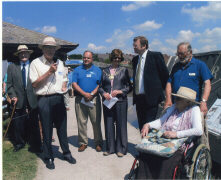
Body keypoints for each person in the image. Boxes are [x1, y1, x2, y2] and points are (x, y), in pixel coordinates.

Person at [29, 37, 76, 170]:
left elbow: (65, 77)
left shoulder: (60, 62)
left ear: (55, 50)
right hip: (44, 99)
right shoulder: (35, 63)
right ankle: (48, 156)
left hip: (59, 98)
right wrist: (49, 72)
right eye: (47, 47)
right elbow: (34, 84)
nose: (50, 50)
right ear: (42, 49)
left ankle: (66, 153)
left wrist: (64, 85)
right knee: (47, 129)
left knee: (62, 128)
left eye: (52, 48)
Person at [138, 86, 203, 179]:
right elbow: (161, 121)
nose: (175, 100)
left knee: (166, 160)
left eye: (179, 98)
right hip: (165, 139)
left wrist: (176, 134)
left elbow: (198, 130)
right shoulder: (173, 107)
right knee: (146, 153)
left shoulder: (194, 110)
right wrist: (147, 125)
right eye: (175, 97)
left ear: (188, 102)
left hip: (181, 143)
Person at [7, 45, 42, 152]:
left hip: (33, 99)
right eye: (21, 53)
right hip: (18, 100)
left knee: (34, 123)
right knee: (18, 124)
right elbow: (9, 84)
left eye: (25, 53)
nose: (23, 54)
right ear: (18, 55)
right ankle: (19, 143)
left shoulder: (34, 65)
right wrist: (13, 96)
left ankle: (36, 144)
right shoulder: (12, 67)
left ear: (29, 54)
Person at [164, 42, 213, 116]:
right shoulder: (176, 66)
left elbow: (207, 84)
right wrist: (168, 99)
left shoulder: (200, 65)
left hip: (192, 107)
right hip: (176, 106)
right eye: (178, 54)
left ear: (190, 52)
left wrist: (204, 101)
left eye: (182, 54)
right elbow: (169, 83)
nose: (179, 56)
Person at [99, 49, 132, 157]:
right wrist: (104, 93)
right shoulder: (104, 71)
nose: (116, 60)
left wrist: (120, 91)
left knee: (121, 125)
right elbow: (100, 87)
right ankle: (110, 148)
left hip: (121, 101)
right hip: (108, 101)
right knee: (108, 124)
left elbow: (129, 87)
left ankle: (121, 149)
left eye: (118, 58)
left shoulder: (124, 70)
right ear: (111, 58)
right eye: (115, 57)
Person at [132, 36, 169, 131]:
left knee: (149, 126)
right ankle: (142, 144)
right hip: (139, 99)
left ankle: (148, 145)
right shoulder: (135, 60)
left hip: (151, 99)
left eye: (136, 45)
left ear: (144, 46)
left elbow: (165, 76)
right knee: (141, 126)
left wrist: (166, 96)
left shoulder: (155, 56)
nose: (134, 47)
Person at [72, 50, 103, 152]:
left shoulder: (98, 70)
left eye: (88, 58)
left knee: (96, 122)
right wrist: (84, 94)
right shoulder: (77, 70)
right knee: (81, 122)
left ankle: (98, 142)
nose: (86, 59)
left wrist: (92, 93)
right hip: (80, 99)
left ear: (92, 59)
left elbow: (100, 84)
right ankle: (83, 143)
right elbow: (74, 84)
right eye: (84, 57)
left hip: (94, 98)